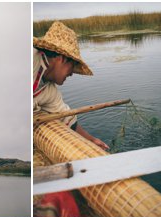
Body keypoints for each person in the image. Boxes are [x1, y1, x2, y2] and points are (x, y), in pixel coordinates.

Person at [33, 21, 109, 151]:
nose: (72, 74)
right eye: (72, 66)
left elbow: (66, 116)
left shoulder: (50, 92)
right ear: (62, 58)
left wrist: (91, 140)